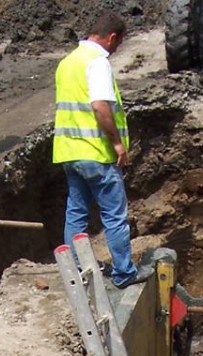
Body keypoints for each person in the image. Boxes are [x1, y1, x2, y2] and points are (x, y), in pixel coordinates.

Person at [53, 11, 154, 289]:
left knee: (76, 212)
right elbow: (99, 106)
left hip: (69, 152)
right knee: (115, 215)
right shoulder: (97, 63)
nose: (116, 49)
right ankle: (124, 273)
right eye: (118, 43)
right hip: (96, 153)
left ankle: (76, 269)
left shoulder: (67, 62)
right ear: (111, 37)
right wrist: (117, 143)